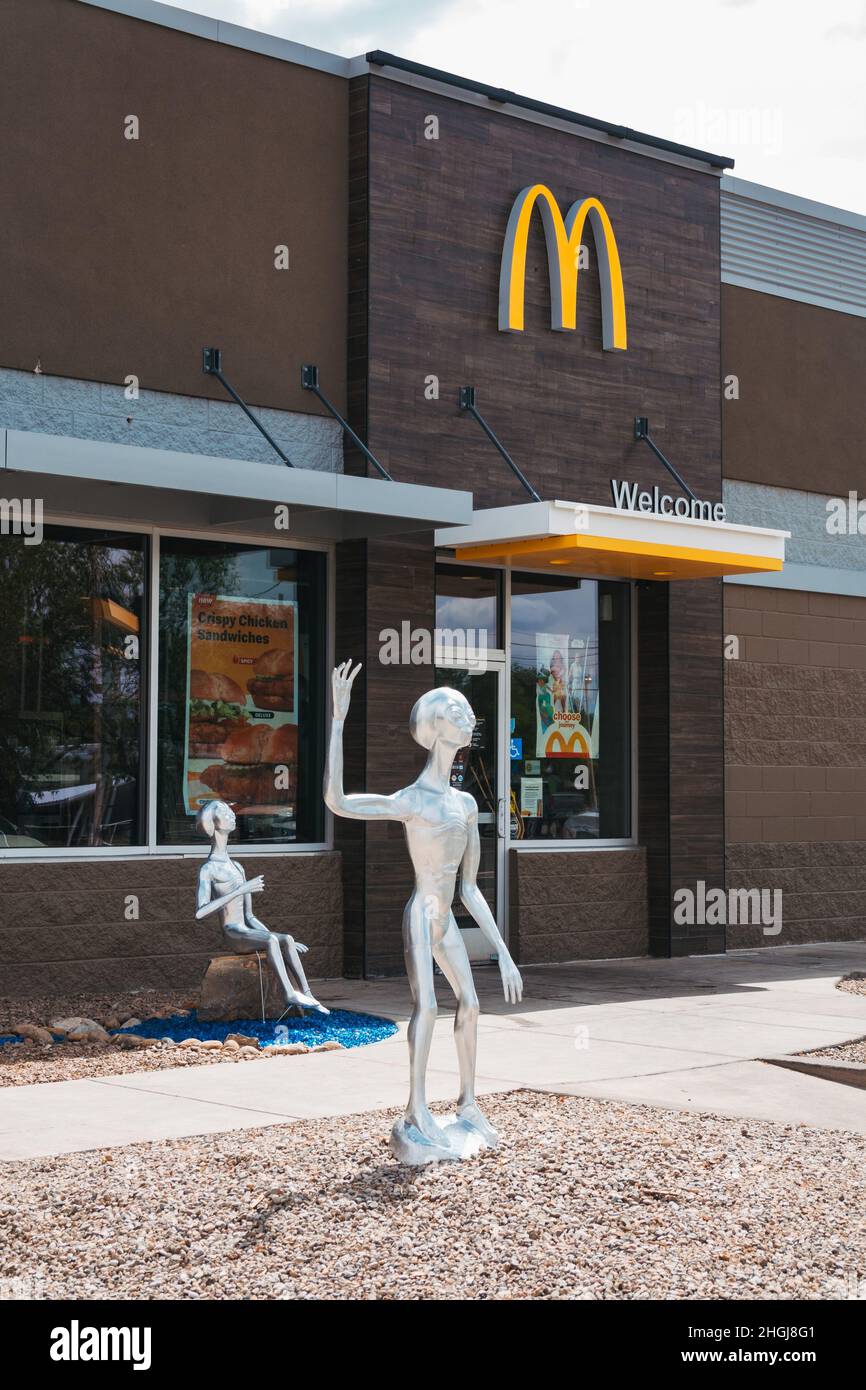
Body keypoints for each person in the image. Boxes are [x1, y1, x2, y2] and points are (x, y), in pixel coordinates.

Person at [324, 661, 523, 1160]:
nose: (469, 717)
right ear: (435, 729)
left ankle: (469, 1104)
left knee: (472, 1005)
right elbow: (338, 801)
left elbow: (471, 889)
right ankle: (416, 1109)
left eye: (469, 711)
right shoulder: (412, 800)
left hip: (447, 916)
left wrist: (502, 952)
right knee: (429, 1007)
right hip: (421, 912)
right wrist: (338, 719)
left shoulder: (466, 804)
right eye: (458, 711)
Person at [194, 799, 328, 1016]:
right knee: (273, 940)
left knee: (286, 939)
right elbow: (200, 912)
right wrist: (239, 890)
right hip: (233, 933)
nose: (233, 814)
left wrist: (281, 940)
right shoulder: (208, 869)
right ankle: (288, 993)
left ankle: (308, 993)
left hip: (246, 930)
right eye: (227, 812)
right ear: (215, 823)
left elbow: (249, 915)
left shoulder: (237, 866)